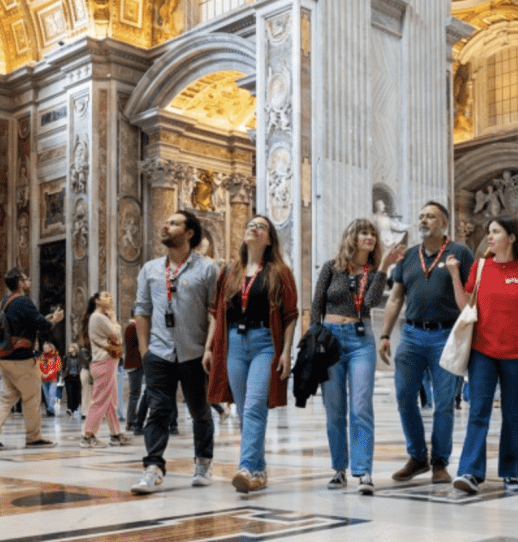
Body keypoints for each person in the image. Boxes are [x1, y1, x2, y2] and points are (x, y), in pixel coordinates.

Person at [449, 216, 518, 494]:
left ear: (512, 237)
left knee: (512, 413)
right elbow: (464, 306)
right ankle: (470, 471)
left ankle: (511, 471)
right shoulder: (481, 267)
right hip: (483, 351)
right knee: (478, 411)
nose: (489, 237)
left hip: (517, 352)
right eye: (489, 232)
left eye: (495, 232)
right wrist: (456, 276)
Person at [378, 201, 475, 484]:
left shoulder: (460, 253)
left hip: (446, 334)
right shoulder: (409, 256)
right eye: (420, 216)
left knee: (444, 402)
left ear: (443, 224)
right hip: (411, 334)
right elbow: (396, 298)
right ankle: (418, 456)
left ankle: (440, 462)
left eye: (430, 217)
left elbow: (470, 298)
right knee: (404, 396)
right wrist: (385, 335)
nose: (423, 220)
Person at [205, 215, 299, 494]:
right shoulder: (229, 272)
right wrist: (209, 347)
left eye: (261, 227)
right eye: (250, 225)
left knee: (255, 405)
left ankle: (246, 466)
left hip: (264, 342)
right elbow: (216, 313)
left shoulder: (280, 272)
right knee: (245, 409)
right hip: (234, 342)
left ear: (269, 239)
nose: (254, 229)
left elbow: (290, 315)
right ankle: (258, 469)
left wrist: (286, 352)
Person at [312, 218, 404, 495]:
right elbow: (316, 305)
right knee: (334, 408)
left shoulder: (373, 271)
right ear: (352, 236)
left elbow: (370, 303)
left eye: (373, 234)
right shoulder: (331, 268)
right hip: (330, 338)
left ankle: (364, 471)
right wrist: (314, 342)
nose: (370, 238)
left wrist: (384, 267)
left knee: (361, 405)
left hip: (360, 340)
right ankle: (339, 469)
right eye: (364, 232)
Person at [130, 210, 219, 494]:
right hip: (159, 352)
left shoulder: (207, 269)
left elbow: (215, 312)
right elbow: (142, 311)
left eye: (173, 223)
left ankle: (203, 462)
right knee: (158, 411)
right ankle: (153, 467)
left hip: (194, 352)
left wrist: (209, 349)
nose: (165, 226)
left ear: (189, 232)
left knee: (200, 411)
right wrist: (145, 352)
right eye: (166, 221)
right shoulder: (151, 269)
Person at [0, 268, 64, 451]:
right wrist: (55, 319)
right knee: (32, 397)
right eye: (26, 279)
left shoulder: (4, 302)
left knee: (6, 398)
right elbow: (42, 327)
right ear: (20, 283)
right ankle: (34, 437)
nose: (29, 282)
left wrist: (46, 318)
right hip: (22, 359)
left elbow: (27, 322)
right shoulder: (24, 302)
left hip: (4, 357)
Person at [81, 292, 130, 448]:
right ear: (97, 301)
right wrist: (114, 319)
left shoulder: (99, 318)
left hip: (105, 361)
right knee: (100, 399)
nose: (109, 298)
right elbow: (116, 335)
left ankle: (115, 434)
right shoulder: (98, 317)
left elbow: (116, 338)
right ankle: (88, 436)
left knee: (109, 400)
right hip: (104, 361)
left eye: (110, 296)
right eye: (105, 296)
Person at [124, 319, 144, 434]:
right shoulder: (132, 328)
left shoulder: (131, 327)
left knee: (135, 394)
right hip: (135, 364)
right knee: (135, 395)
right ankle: (131, 421)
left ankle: (133, 420)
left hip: (136, 364)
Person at [38, 341, 61, 418]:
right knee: (47, 397)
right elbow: (38, 367)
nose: (45, 349)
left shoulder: (56, 357)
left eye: (46, 347)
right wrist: (42, 374)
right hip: (43, 380)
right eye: (44, 348)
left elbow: (57, 367)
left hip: (52, 379)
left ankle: (51, 409)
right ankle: (50, 410)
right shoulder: (41, 357)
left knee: (52, 395)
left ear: (51, 347)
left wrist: (47, 375)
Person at [62, 343, 82, 417]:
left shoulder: (79, 357)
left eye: (71, 347)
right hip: (69, 377)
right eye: (69, 347)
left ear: (75, 348)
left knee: (76, 394)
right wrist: (64, 375)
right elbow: (63, 367)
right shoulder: (66, 357)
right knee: (69, 393)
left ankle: (75, 409)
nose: (69, 348)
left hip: (77, 377)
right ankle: (69, 408)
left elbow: (81, 366)